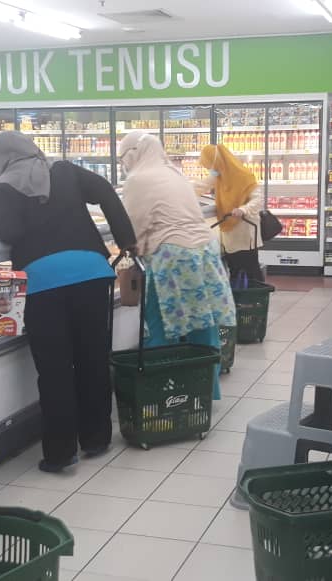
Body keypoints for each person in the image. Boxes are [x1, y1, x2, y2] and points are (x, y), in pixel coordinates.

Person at [0, 131, 136, 473]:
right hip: (91, 273)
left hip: (43, 283)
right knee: (93, 358)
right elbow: (105, 193)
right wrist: (127, 240)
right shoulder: (65, 170)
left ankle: (60, 452)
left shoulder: (5, 187)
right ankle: (97, 439)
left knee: (55, 370)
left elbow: (6, 231)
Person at [119, 132, 236, 400]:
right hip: (204, 251)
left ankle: (164, 393)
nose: (125, 163)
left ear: (134, 152)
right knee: (203, 322)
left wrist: (128, 250)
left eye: (124, 156)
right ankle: (204, 391)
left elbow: (133, 225)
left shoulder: (138, 179)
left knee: (161, 323)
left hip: (173, 256)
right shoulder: (173, 172)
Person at [199, 144, 265, 282]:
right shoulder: (218, 175)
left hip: (245, 231)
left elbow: (258, 199)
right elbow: (202, 185)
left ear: (217, 162)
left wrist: (243, 209)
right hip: (228, 229)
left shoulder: (243, 176)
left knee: (248, 267)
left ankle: (254, 298)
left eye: (210, 164)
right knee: (234, 267)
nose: (209, 169)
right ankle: (238, 298)